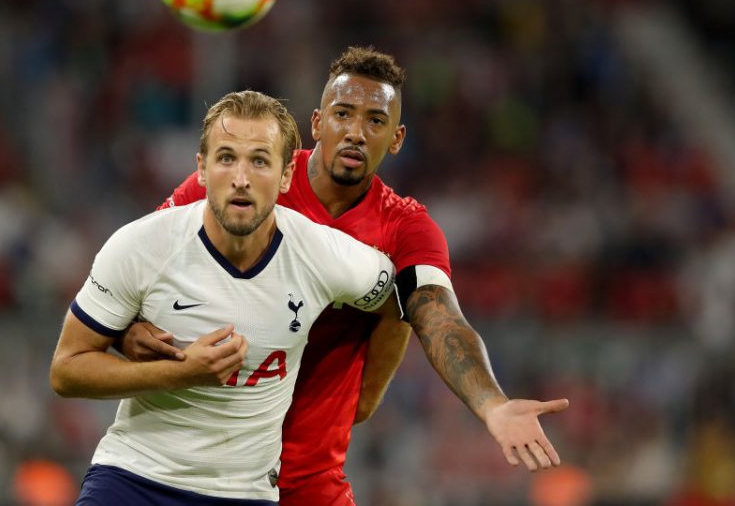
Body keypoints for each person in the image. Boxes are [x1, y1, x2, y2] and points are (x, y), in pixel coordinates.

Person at [121, 46, 570, 505]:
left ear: (396, 139)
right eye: (343, 114)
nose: (356, 132)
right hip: (193, 468)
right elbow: (140, 266)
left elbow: (439, 316)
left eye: (375, 121)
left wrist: (491, 405)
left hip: (306, 479)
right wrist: (127, 331)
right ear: (317, 123)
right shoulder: (241, 178)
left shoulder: (404, 230)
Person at [50, 90, 402, 504]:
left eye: (259, 160)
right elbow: (66, 370)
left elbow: (399, 302)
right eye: (226, 158)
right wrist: (183, 372)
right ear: (201, 169)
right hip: (133, 478)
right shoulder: (141, 245)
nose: (241, 178)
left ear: (287, 174)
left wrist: (365, 400)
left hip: (244, 494)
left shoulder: (323, 255)